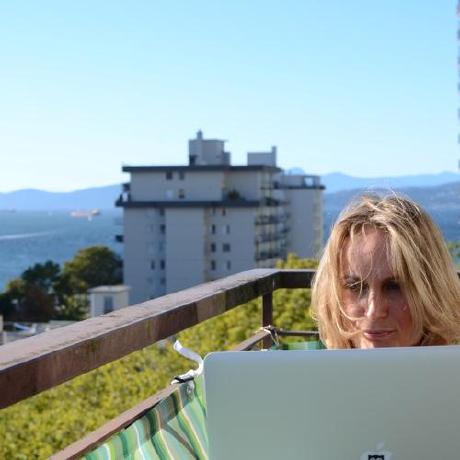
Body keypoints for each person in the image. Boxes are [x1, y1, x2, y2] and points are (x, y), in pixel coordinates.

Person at [311, 193, 460, 349]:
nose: (374, 311)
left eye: (394, 287)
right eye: (355, 287)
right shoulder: (308, 364)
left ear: (433, 293)